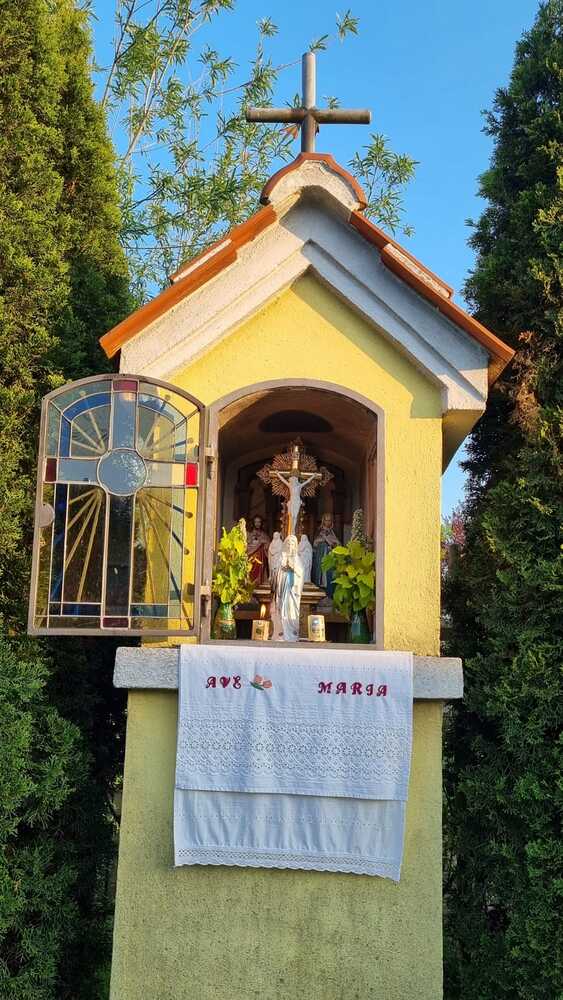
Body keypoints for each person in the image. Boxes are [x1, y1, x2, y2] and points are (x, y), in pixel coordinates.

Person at [271, 535, 304, 641]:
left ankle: (291, 633)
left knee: (291, 610)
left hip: (292, 591)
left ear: (295, 546)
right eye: (288, 544)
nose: (290, 546)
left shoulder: (297, 559)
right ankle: (281, 633)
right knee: (281, 609)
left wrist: (293, 568)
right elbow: (275, 572)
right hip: (282, 589)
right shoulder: (281, 557)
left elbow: (300, 574)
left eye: (292, 544)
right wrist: (282, 569)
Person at [311, 513, 339, 597]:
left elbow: (337, 544)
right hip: (320, 557)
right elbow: (314, 543)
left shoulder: (333, 532)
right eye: (326, 520)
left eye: (329, 520)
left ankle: (330, 594)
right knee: (320, 576)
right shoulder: (318, 531)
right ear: (323, 521)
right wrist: (323, 541)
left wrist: (330, 541)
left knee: (330, 575)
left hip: (330, 557)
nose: (328, 522)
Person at [246, 515, 270, 585]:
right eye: (256, 522)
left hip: (260, 557)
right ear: (253, 523)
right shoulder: (249, 534)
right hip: (250, 556)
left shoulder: (264, 534)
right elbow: (246, 543)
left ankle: (258, 581)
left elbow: (268, 545)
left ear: (261, 523)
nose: (257, 524)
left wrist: (263, 543)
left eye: (259, 522)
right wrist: (252, 542)